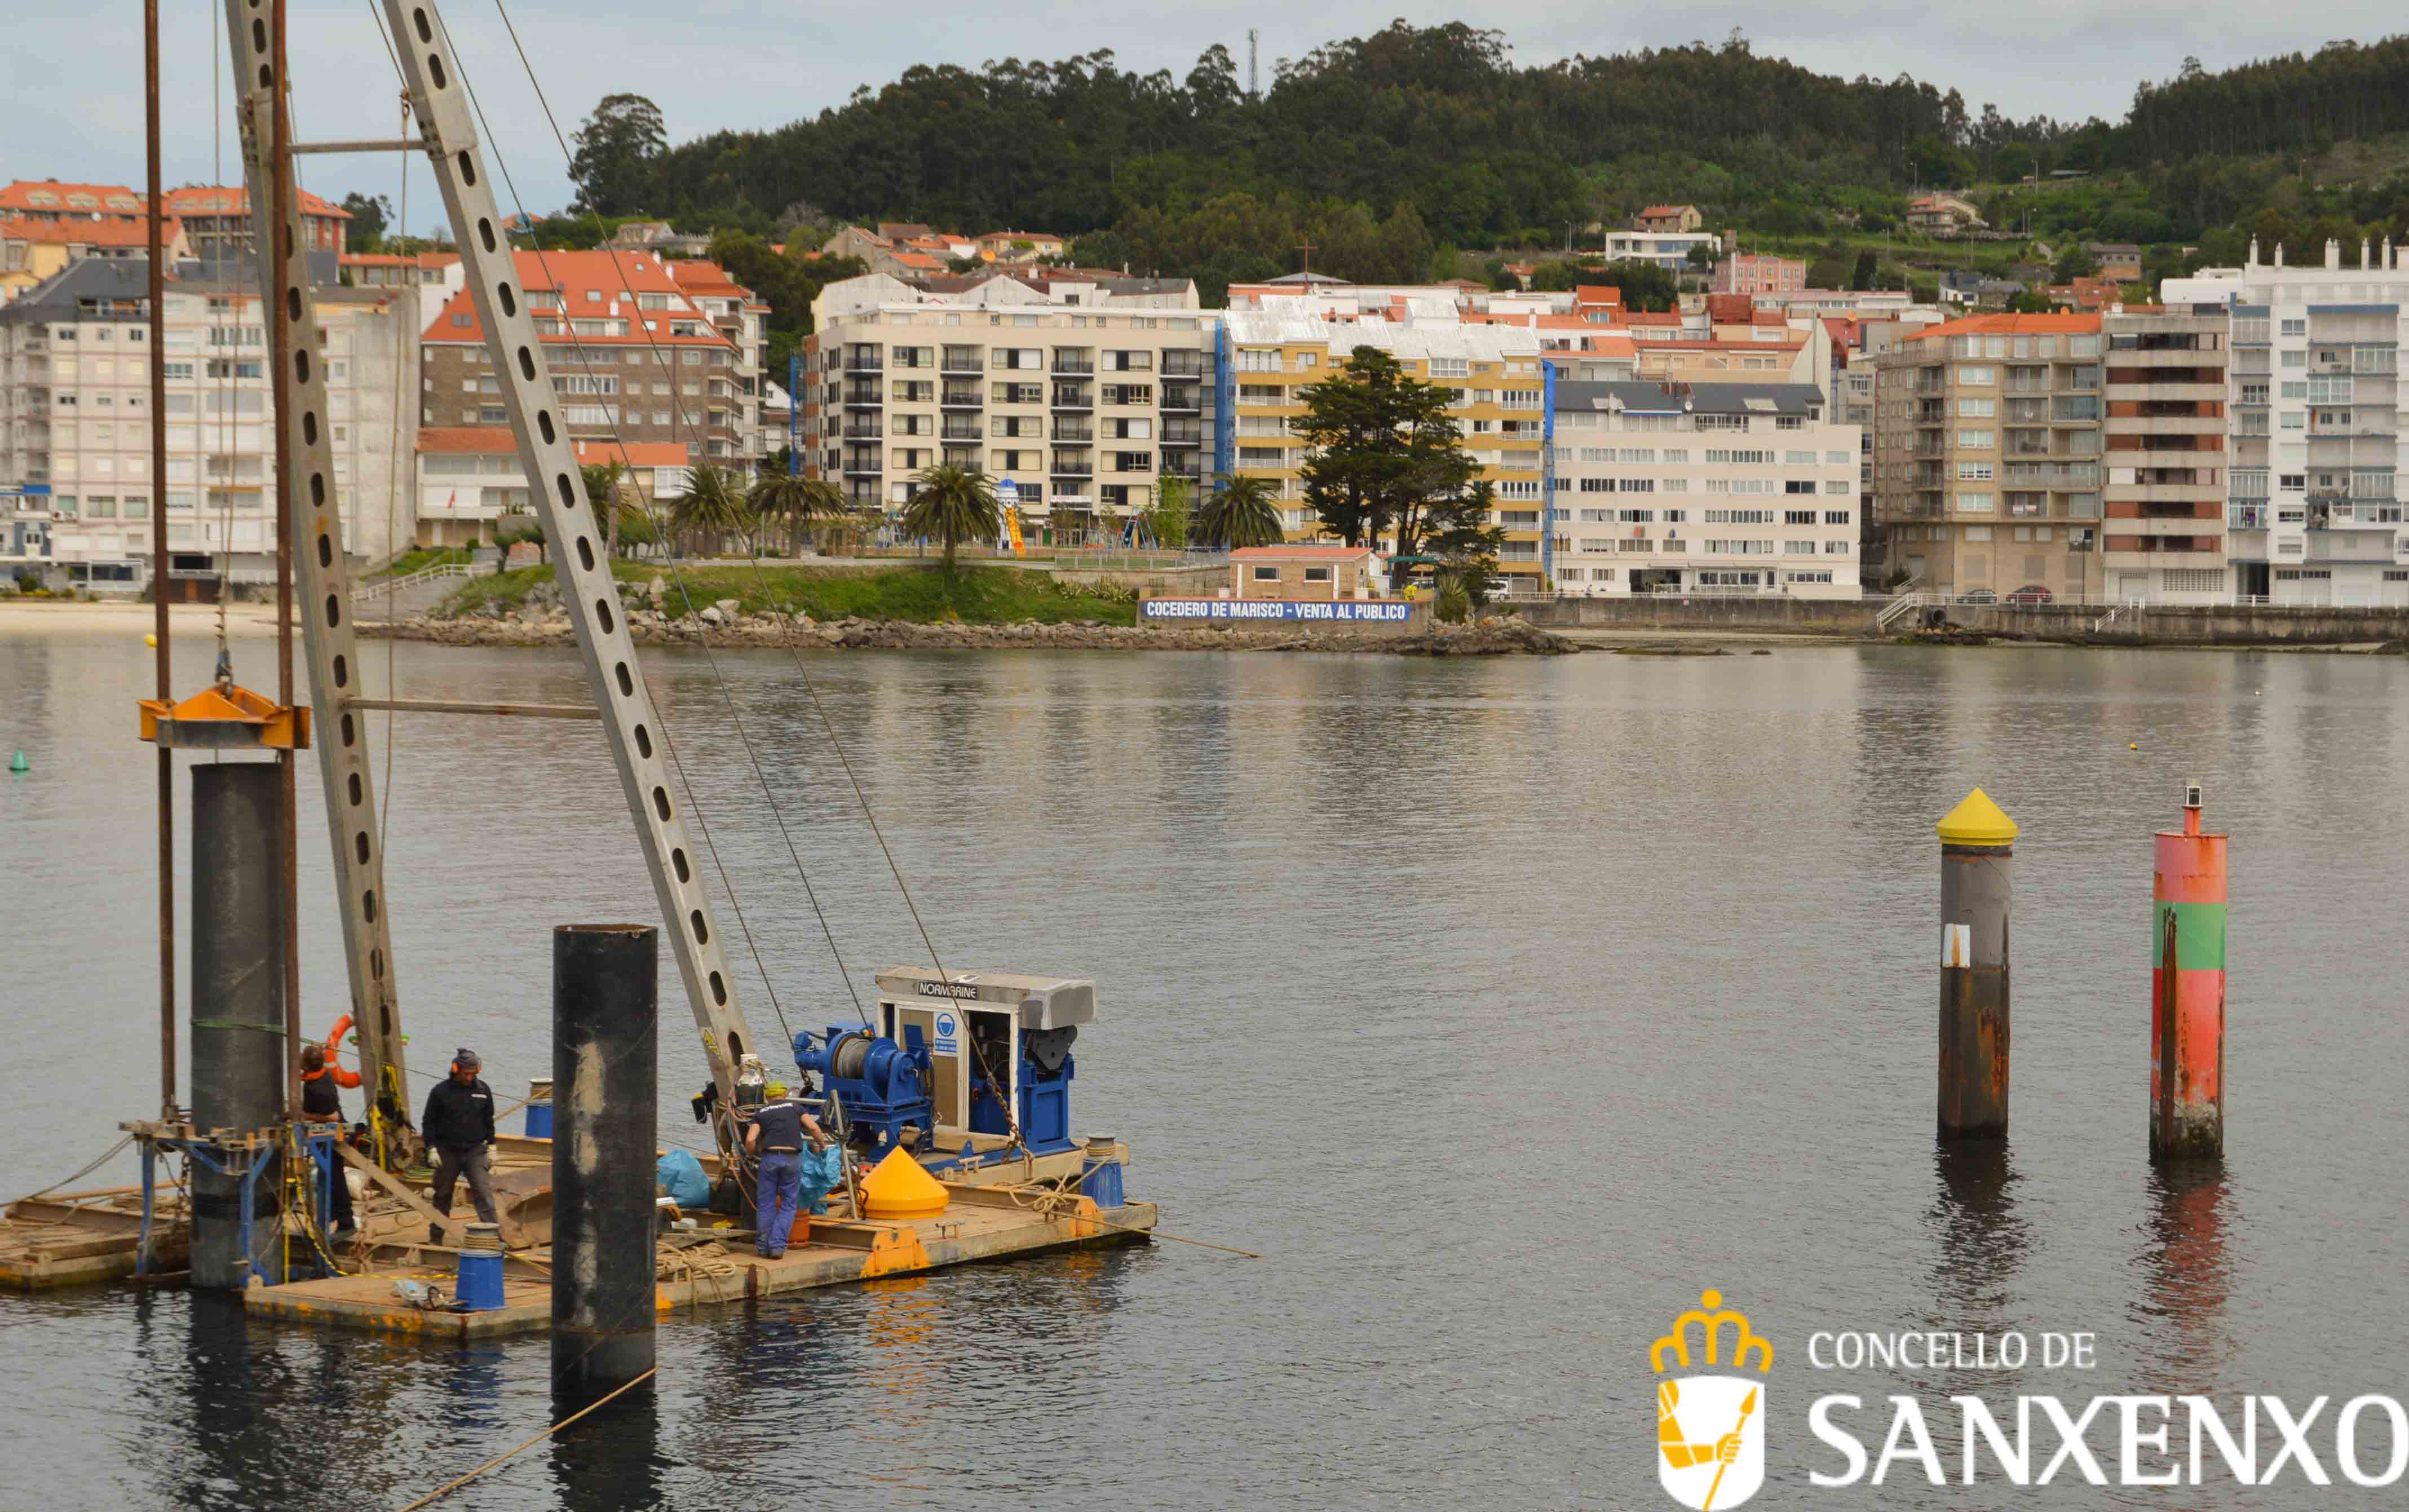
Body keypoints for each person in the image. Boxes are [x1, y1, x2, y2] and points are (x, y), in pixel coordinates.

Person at [421, 1047, 498, 1245]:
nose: (470, 1077)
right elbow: (428, 1122)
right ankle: (436, 1238)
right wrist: (431, 1148)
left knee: (483, 1191)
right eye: (466, 1073)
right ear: (456, 1069)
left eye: (474, 1074)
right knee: (443, 1194)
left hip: (475, 1150)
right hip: (447, 1151)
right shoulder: (440, 1092)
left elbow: (488, 1120)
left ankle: (493, 1238)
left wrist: (492, 1145)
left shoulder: (483, 1091)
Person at [742, 1081, 824, 1259]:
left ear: (767, 1096)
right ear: (785, 1094)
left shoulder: (761, 1113)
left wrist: (750, 1156)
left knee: (766, 1204)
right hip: (792, 1159)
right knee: (788, 1204)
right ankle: (777, 1247)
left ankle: (763, 1248)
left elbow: (750, 1140)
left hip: (769, 1159)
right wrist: (822, 1145)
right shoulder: (796, 1107)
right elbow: (813, 1127)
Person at [297, 1042, 355, 1237]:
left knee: (334, 1178)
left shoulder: (317, 1089)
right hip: (324, 1134)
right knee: (329, 1176)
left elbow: (332, 1117)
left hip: (330, 1135)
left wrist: (304, 1114)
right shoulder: (322, 1073)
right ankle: (329, 1215)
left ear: (306, 1064)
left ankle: (346, 1223)